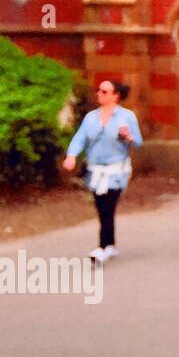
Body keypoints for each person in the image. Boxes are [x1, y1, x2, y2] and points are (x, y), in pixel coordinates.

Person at [63, 79, 143, 263]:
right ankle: (111, 245)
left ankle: (102, 247)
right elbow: (80, 138)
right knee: (101, 208)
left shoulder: (127, 117)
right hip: (95, 170)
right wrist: (72, 156)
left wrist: (128, 137)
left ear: (116, 96)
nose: (99, 94)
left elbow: (138, 142)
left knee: (108, 207)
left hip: (117, 170)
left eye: (104, 91)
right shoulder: (91, 117)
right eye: (98, 90)